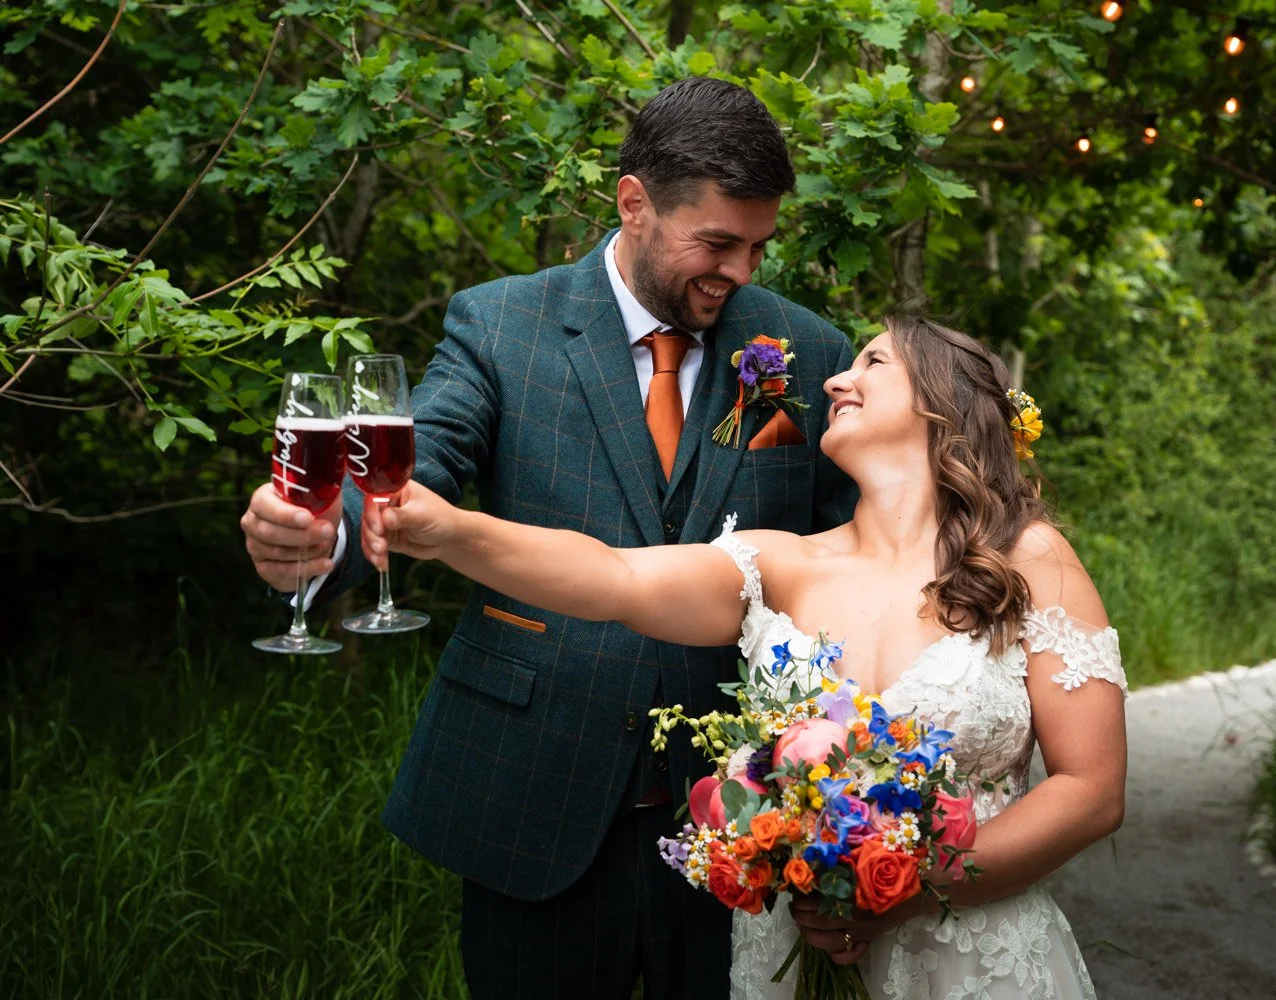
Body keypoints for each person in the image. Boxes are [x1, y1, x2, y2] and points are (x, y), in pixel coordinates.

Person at [238, 77, 858, 1000]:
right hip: (534, 800)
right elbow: (422, 463)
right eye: (718, 243)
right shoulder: (501, 325)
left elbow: (859, 549)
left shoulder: (804, 349)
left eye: (758, 247)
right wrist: (323, 540)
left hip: (748, 821)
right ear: (634, 203)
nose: (741, 273)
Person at [361, 316, 1129, 999]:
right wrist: (449, 531)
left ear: (941, 404)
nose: (837, 378)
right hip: (791, 954)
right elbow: (614, 577)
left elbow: (1091, 789)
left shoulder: (1031, 559)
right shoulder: (779, 564)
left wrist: (912, 891)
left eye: (873, 363)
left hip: (975, 957)